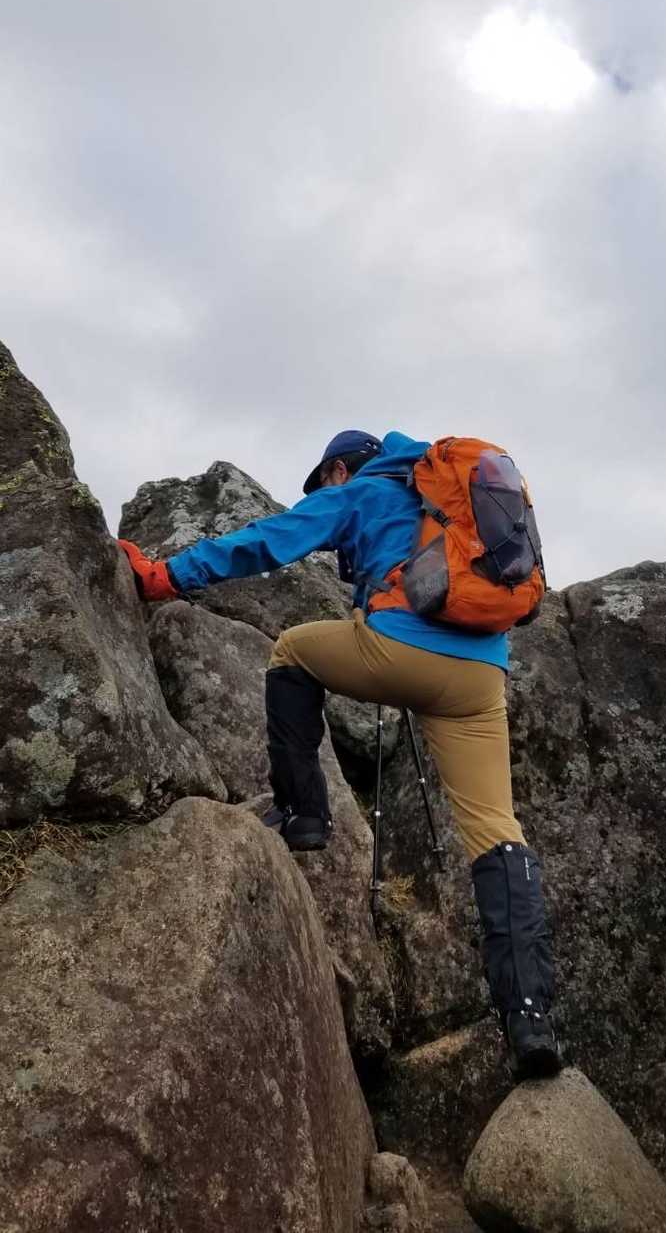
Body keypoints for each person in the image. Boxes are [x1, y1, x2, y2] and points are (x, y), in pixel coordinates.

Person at [119, 429, 562, 1080]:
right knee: (497, 831)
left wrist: (165, 577)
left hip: (399, 651)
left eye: (324, 479)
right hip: (481, 677)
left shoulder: (359, 492)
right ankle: (530, 1021)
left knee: (292, 650)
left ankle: (304, 814)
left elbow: (268, 540)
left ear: (337, 470)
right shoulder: (446, 498)